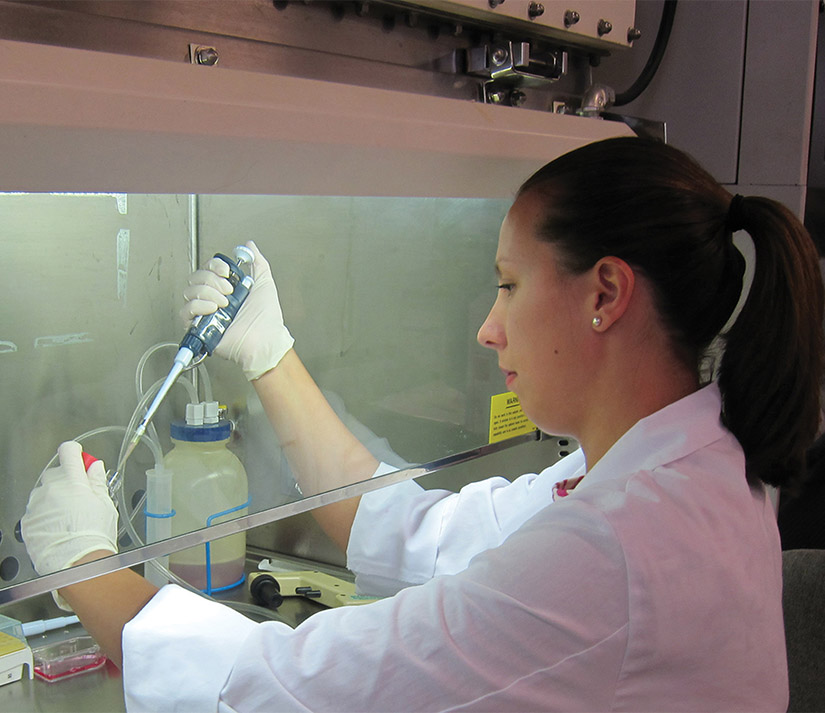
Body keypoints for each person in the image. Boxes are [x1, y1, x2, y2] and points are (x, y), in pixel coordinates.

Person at [21, 136, 824, 712]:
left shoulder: (620, 546)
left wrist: (82, 562)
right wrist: (270, 355)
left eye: (508, 284)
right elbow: (422, 535)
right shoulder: (691, 462)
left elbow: (283, 684)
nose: (487, 328)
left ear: (604, 294)